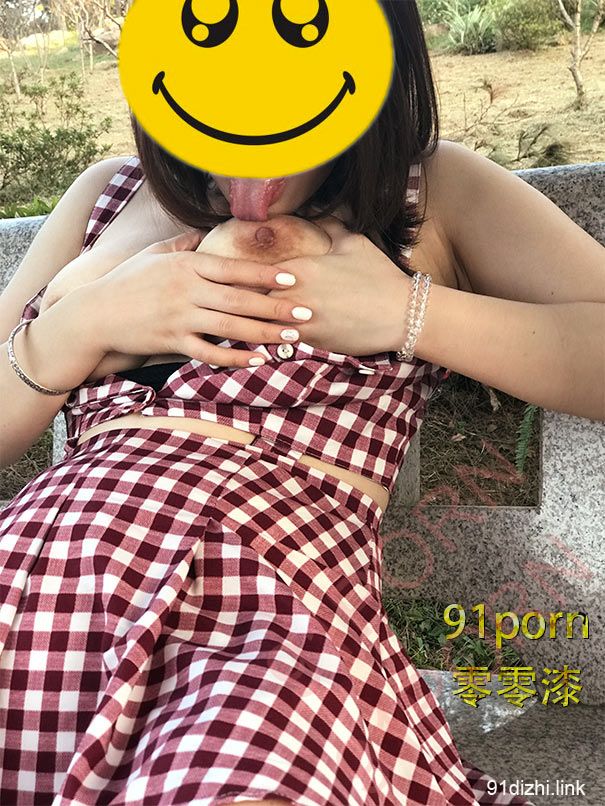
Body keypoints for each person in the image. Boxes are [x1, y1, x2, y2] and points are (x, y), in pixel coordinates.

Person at [1, 2, 603, 804]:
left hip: (267, 615)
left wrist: (406, 313)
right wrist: (78, 326)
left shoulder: (430, 189)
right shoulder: (107, 194)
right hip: (26, 583)